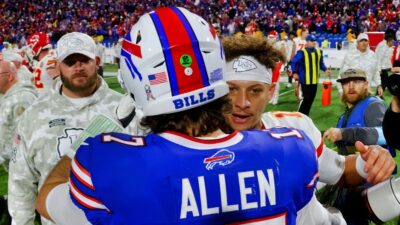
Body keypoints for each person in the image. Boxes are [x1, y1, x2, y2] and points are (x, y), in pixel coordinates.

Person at [35, 7, 346, 225]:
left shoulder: (107, 162)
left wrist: (94, 137)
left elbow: (47, 199)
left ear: (134, 79)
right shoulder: (291, 148)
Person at [8, 32, 123, 225]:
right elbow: (21, 181)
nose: (78, 67)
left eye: (84, 60)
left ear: (96, 61)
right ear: (59, 66)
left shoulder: (125, 109)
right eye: (70, 62)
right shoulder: (33, 116)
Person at [323, 68, 391, 225]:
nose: (351, 86)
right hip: (350, 178)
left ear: (366, 84)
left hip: (366, 182)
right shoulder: (348, 112)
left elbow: (385, 133)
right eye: (346, 83)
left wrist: (345, 134)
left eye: (357, 82)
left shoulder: (373, 106)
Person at [0, 61, 38, 167]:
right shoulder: (11, 97)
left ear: (9, 76)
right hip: (16, 163)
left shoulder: (21, 99)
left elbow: (26, 137)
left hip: (24, 166)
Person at [291, 34, 331, 116]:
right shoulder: (302, 52)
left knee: (311, 99)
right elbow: (294, 62)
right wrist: (295, 72)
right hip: (305, 80)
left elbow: (321, 64)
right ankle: (299, 115)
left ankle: (305, 115)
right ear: (307, 42)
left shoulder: (319, 52)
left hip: (315, 80)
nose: (314, 42)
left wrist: (325, 69)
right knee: (306, 99)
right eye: (312, 41)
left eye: (314, 41)